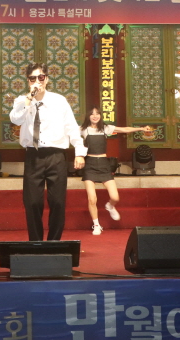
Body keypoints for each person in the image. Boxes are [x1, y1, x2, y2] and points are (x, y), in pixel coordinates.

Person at [9, 62, 86, 241]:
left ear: (47, 79)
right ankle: (35, 243)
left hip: (56, 156)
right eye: (33, 78)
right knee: (32, 202)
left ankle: (54, 243)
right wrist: (29, 99)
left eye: (41, 77)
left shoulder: (59, 100)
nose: (37, 81)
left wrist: (79, 152)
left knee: (58, 202)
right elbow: (15, 119)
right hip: (33, 155)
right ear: (28, 81)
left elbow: (71, 127)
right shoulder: (22, 101)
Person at [80, 106, 152, 235]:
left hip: (103, 164)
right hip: (89, 164)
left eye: (97, 114)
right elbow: (66, 133)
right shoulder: (83, 129)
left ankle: (110, 206)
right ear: (88, 116)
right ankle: (96, 225)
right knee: (92, 199)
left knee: (115, 197)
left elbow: (125, 129)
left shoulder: (105, 128)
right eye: (92, 114)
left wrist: (141, 128)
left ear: (100, 116)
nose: (95, 116)